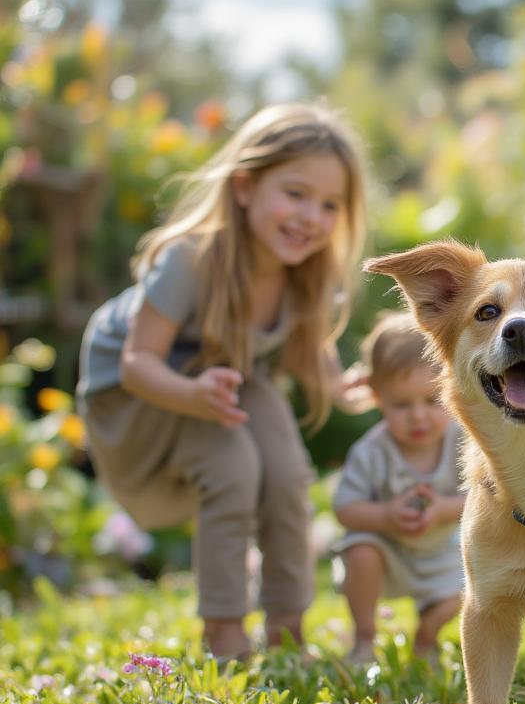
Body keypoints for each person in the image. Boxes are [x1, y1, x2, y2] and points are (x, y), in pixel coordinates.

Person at [77, 102, 370, 661]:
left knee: (286, 472)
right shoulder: (191, 259)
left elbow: (315, 353)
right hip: (138, 386)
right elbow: (138, 360)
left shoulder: (305, 271)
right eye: (295, 194)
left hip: (230, 372)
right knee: (232, 466)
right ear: (243, 187)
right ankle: (225, 634)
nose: (311, 216)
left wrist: (348, 390)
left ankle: (286, 628)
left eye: (330, 204)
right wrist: (190, 395)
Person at [332, 311, 465, 664]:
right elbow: (346, 509)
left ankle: (427, 634)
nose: (418, 416)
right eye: (401, 404)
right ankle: (363, 639)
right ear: (376, 396)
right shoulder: (371, 451)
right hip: (390, 555)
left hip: (443, 555)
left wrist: (444, 510)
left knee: (480, 583)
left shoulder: (462, 442)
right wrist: (386, 516)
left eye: (432, 400)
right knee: (358, 550)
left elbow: (485, 497)